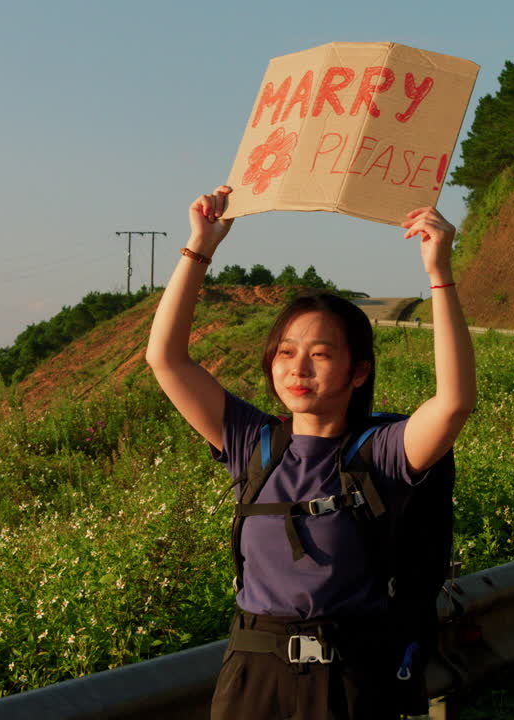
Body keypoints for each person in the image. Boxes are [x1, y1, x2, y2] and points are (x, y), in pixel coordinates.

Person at [145, 185, 476, 720]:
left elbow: (454, 403)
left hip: (349, 682)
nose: (298, 368)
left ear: (359, 371)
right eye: (286, 352)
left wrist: (439, 272)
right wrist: (199, 247)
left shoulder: (383, 453)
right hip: (253, 675)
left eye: (320, 355)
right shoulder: (253, 442)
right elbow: (165, 359)